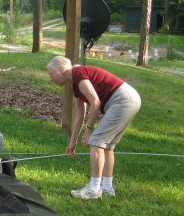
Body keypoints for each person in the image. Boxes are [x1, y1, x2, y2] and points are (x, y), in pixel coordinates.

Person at [47, 56, 141, 199]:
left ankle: (94, 189)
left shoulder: (78, 73)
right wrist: (72, 143)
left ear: (60, 70)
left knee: (96, 142)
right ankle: (107, 187)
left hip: (122, 100)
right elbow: (79, 116)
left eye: (51, 74)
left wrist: (89, 130)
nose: (51, 79)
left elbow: (95, 103)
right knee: (107, 146)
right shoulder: (76, 84)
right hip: (130, 98)